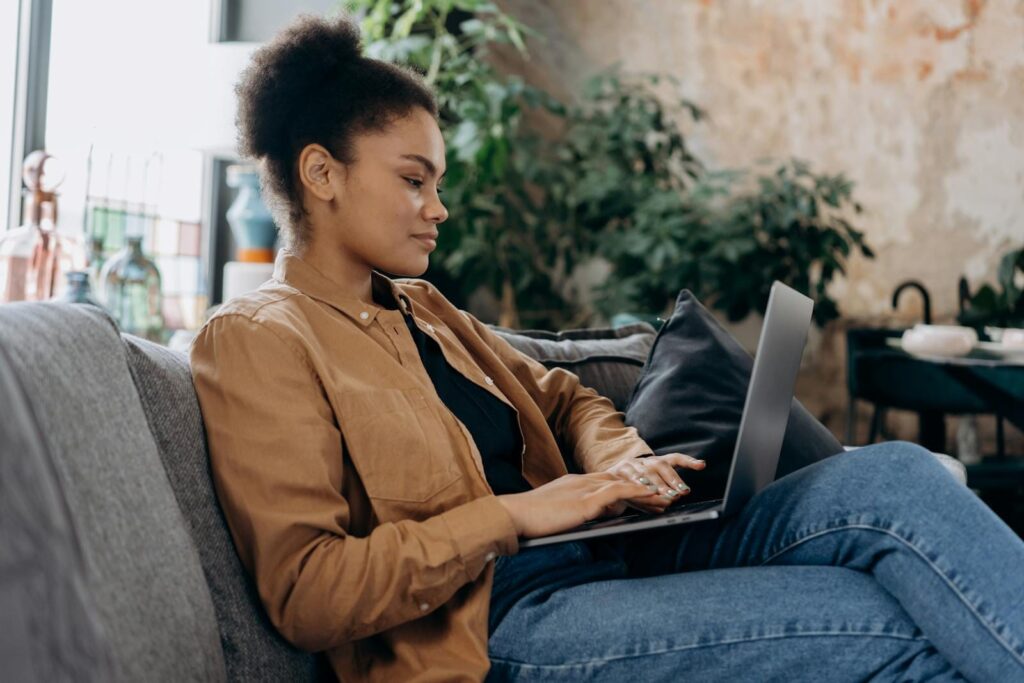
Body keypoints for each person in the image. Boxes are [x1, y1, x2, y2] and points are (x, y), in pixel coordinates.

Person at [189, 13, 1024, 683]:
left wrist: (619, 460)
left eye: (438, 182)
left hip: (612, 554)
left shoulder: (426, 310)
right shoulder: (259, 339)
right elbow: (307, 592)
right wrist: (518, 513)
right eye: (415, 179)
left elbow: (566, 395)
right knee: (891, 624)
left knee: (898, 475)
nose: (438, 206)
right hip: (504, 626)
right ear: (321, 173)